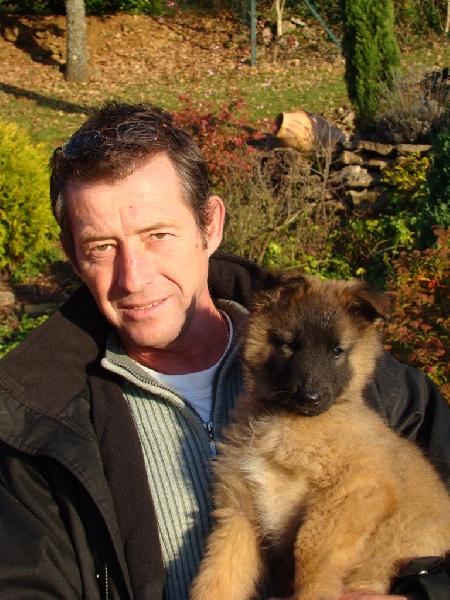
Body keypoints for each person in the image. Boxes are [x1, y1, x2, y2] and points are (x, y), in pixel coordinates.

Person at [0, 101, 448, 600]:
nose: (134, 277)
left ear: (209, 225)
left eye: (157, 235)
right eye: (101, 246)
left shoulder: (379, 386)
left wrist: (421, 594)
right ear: (72, 255)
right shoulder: (32, 427)